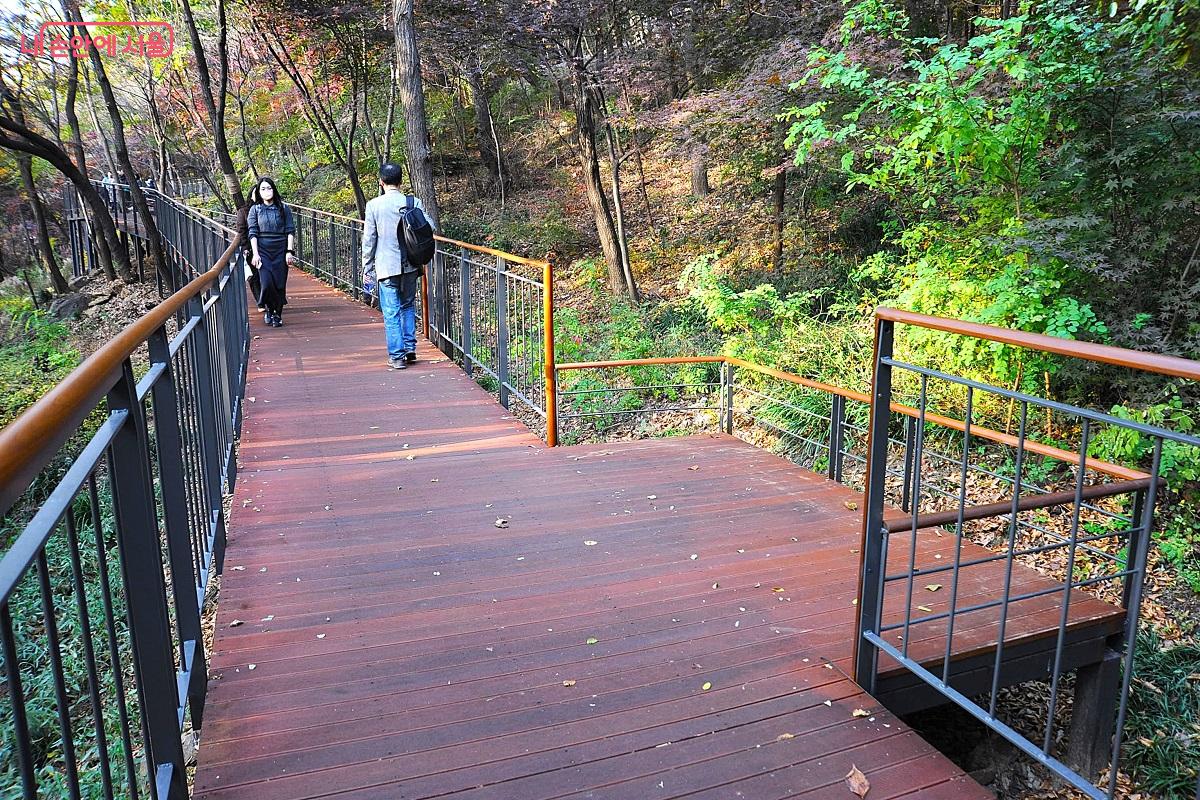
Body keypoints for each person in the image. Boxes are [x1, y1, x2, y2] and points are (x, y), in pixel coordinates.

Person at [362, 162, 429, 370]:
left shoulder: (374, 205)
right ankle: (410, 349)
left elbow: (369, 239)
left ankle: (397, 356)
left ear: (381, 182)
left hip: (386, 266)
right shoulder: (413, 202)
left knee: (391, 311)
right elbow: (429, 227)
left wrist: (367, 265)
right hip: (410, 263)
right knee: (407, 305)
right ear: (401, 181)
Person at [247, 176, 296, 328]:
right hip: (263, 250)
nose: (266, 191)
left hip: (280, 249)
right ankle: (269, 308)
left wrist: (289, 251)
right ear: (258, 192)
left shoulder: (283, 208)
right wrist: (255, 253)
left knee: (279, 283)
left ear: (274, 190)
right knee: (267, 282)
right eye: (263, 189)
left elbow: (290, 230)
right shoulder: (255, 209)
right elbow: (253, 233)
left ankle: (277, 314)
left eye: (269, 188)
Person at [235, 186, 263, 309]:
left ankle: (269, 299)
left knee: (267, 275)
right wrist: (245, 247)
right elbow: (241, 230)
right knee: (255, 276)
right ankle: (261, 301)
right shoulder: (244, 211)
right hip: (251, 248)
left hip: (267, 246)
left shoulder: (268, 208)